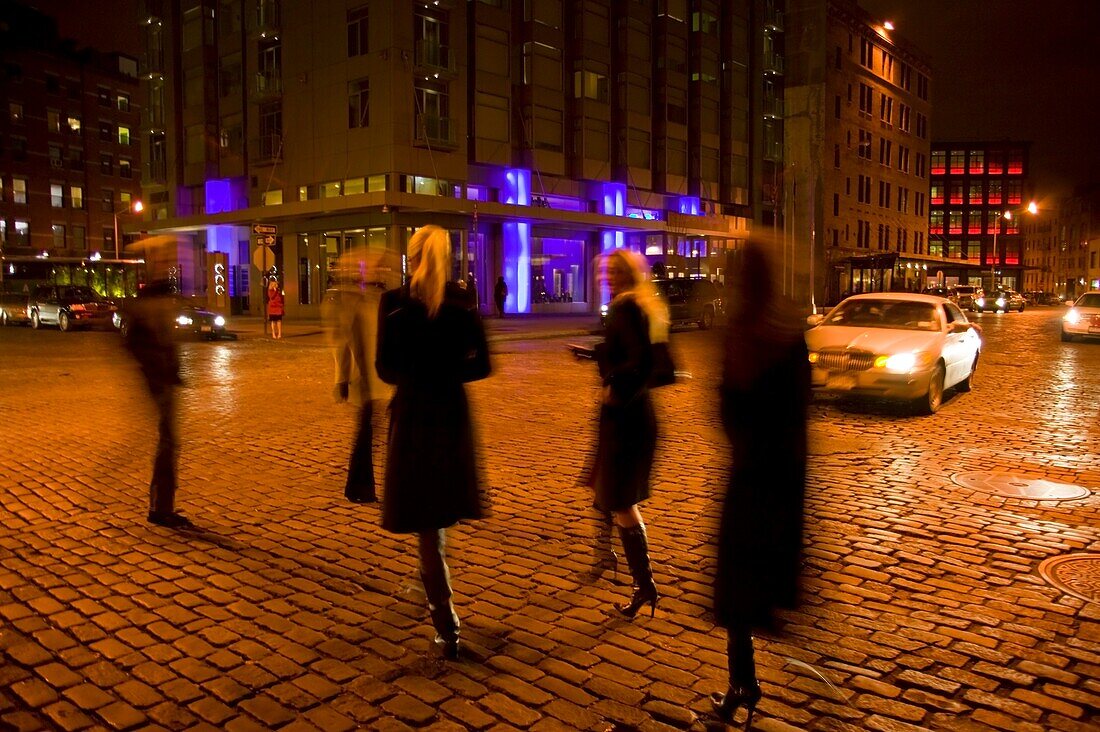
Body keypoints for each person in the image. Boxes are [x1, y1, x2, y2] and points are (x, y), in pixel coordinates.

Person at [375, 224, 491, 659]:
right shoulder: (461, 300)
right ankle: (445, 616)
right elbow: (482, 365)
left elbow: (385, 368)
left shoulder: (393, 303)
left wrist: (416, 373)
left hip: (414, 416)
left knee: (427, 524)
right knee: (439, 515)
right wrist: (448, 372)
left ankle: (447, 624)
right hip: (450, 415)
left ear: (412, 253)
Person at [711, 240, 810, 726]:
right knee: (755, 585)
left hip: (750, 478)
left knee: (736, 589)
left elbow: (727, 410)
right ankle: (744, 680)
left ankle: (742, 680)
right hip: (782, 479)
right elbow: (798, 413)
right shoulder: (789, 332)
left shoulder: (742, 332)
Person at [590, 248, 668, 618]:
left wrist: (613, 384)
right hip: (636, 416)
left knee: (620, 501)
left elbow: (642, 363)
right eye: (606, 272)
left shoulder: (625, 308)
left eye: (613, 273)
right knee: (617, 498)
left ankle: (645, 585)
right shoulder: (644, 306)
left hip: (625, 417)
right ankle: (641, 583)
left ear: (626, 276)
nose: (607, 278)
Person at [323, 254, 395, 504]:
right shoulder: (348, 301)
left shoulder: (377, 299)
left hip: (381, 378)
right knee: (366, 434)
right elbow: (341, 343)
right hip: (364, 381)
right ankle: (360, 488)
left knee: (374, 433)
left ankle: (365, 488)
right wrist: (341, 379)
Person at [123, 280, 189, 528]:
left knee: (169, 442)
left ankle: (161, 506)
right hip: (159, 385)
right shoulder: (149, 318)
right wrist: (164, 373)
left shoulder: (149, 317)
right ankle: (161, 508)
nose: (171, 304)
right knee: (168, 443)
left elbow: (168, 349)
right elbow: (156, 351)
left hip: (162, 384)